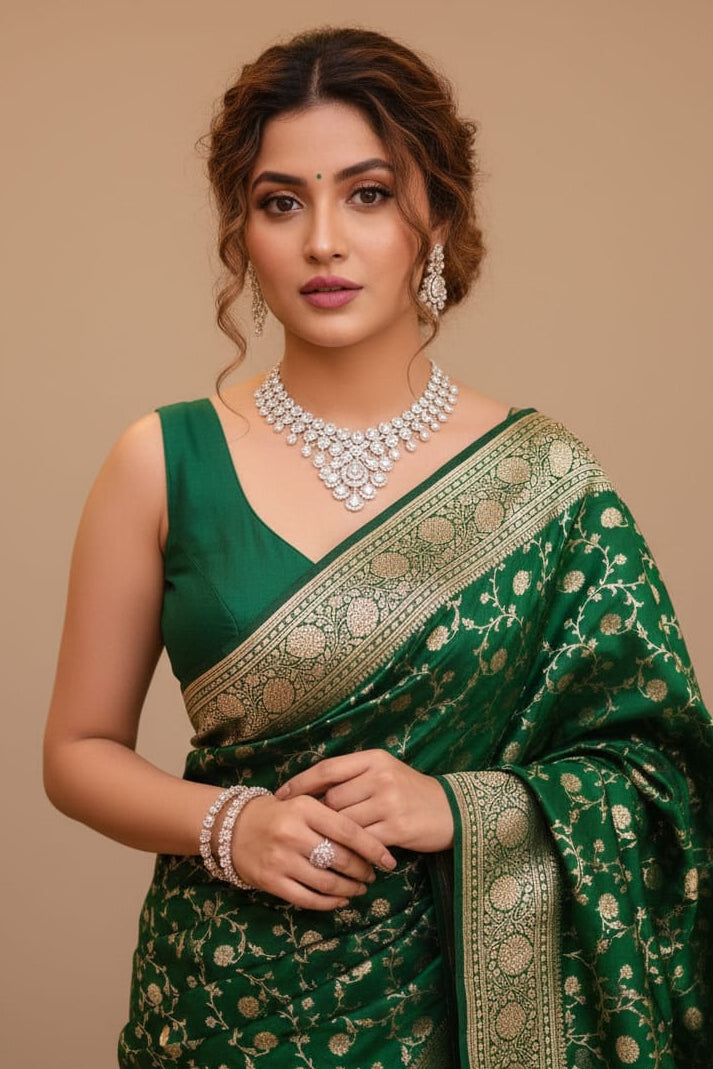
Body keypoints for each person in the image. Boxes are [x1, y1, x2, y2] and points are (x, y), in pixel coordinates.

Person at [43, 25, 712, 1069]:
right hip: (221, 1008)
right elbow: (76, 753)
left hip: (453, 1013)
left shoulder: (544, 482)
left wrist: (460, 804)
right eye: (279, 202)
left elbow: (660, 775)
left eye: (365, 194)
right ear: (242, 230)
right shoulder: (160, 460)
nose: (321, 241)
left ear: (433, 217)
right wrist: (233, 824)